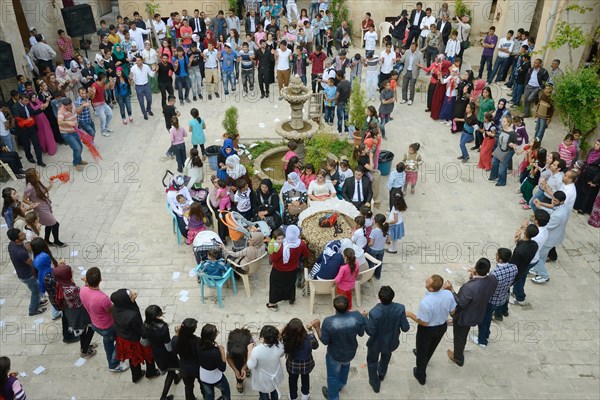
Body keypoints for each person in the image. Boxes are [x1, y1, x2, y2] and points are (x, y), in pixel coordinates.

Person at [312, 295, 366, 400]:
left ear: (334, 308)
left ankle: (333, 397)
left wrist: (317, 327)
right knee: (345, 366)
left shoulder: (329, 321)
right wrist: (362, 318)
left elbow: (325, 341)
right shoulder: (357, 316)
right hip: (350, 352)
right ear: (349, 306)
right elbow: (361, 333)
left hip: (335, 355)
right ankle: (341, 384)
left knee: (332, 377)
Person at [406, 274, 456, 385]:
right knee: (432, 346)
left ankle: (421, 375)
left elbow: (424, 322)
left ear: (431, 289)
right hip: (441, 326)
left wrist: (410, 315)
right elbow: (453, 312)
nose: (425, 281)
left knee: (422, 349)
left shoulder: (426, 302)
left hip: (428, 330)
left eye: (427, 282)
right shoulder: (448, 294)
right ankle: (425, 358)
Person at [80, 267, 129, 372]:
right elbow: (112, 311)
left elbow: (86, 285)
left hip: (95, 324)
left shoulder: (83, 290)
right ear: (100, 279)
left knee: (108, 341)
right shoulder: (103, 298)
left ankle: (110, 360)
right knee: (121, 341)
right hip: (108, 326)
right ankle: (114, 364)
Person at [364, 286, 410, 393]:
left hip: (375, 343)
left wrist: (365, 318)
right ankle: (381, 374)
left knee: (372, 361)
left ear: (379, 298)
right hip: (391, 341)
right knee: (386, 357)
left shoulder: (374, 312)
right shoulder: (400, 308)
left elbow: (370, 332)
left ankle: (375, 383)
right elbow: (406, 328)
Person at [470, 250, 518, 350]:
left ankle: (482, 341)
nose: (495, 256)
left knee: (483, 319)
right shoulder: (514, 267)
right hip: (502, 297)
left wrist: (474, 275)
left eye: (497, 255)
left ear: (500, 259)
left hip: (491, 300)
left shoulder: (494, 274)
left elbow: (484, 287)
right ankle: (486, 333)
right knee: (488, 317)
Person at [111, 288, 159, 383]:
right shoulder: (132, 315)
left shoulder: (116, 309)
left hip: (124, 339)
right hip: (135, 340)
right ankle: (151, 372)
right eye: (130, 296)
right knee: (148, 355)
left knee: (133, 358)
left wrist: (132, 300)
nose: (133, 295)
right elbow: (140, 330)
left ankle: (136, 375)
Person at [52, 264, 97, 358]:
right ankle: (84, 350)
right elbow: (84, 295)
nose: (72, 272)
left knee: (82, 330)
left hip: (70, 311)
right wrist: (87, 283)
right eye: (70, 272)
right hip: (79, 312)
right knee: (92, 327)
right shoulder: (71, 289)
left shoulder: (61, 284)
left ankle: (84, 345)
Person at [529, 191, 570, 284]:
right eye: (553, 199)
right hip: (556, 235)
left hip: (550, 239)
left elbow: (548, 225)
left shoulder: (558, 215)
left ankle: (544, 276)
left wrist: (535, 222)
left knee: (538, 256)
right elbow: (553, 210)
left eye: (555, 201)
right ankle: (536, 269)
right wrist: (541, 207)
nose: (552, 202)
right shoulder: (565, 207)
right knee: (542, 256)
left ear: (562, 201)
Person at [267, 225, 310, 310]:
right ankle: (291, 299)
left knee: (275, 285)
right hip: (293, 269)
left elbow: (273, 259)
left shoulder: (281, 245)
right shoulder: (301, 244)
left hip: (278, 270)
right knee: (290, 284)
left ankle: (272, 304)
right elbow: (307, 254)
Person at [7, 228, 48, 316]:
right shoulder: (20, 252)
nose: (24, 234)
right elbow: (32, 263)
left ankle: (38, 301)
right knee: (35, 291)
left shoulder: (12, 244)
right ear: (17, 239)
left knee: (34, 288)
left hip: (23, 273)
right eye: (22, 234)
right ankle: (33, 310)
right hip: (27, 275)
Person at [143, 305, 181, 400]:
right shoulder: (163, 328)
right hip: (167, 355)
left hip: (156, 353)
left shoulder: (145, 325)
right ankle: (163, 397)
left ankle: (176, 378)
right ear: (157, 316)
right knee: (171, 371)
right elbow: (168, 347)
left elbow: (144, 342)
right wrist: (176, 335)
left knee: (170, 369)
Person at [21, 168, 65, 246]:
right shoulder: (29, 187)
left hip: (45, 205)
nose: (39, 174)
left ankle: (47, 240)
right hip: (40, 209)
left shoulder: (37, 182)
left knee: (49, 224)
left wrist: (50, 185)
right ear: (32, 177)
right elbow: (24, 199)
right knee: (55, 224)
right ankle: (56, 241)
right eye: (36, 173)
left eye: (37, 172)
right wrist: (32, 203)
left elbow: (41, 193)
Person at [282, 318, 319, 400]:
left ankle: (293, 396)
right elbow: (316, 346)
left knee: (292, 381)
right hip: (306, 365)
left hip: (292, 366)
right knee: (305, 378)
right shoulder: (309, 338)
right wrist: (310, 331)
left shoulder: (286, 339)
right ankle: (305, 395)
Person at [246, 325, 284, 400]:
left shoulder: (256, 350)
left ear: (263, 337)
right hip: (275, 374)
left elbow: (250, 366)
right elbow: (281, 355)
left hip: (263, 377)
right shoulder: (280, 346)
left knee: (263, 393)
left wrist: (249, 351)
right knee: (274, 390)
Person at [196, 323, 231, 400]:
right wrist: (222, 352)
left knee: (209, 396)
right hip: (215, 378)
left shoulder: (198, 344)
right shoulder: (214, 352)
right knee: (226, 392)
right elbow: (223, 368)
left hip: (204, 376)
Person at [11, 94, 45, 166]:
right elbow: (18, 119)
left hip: (32, 128)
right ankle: (29, 157)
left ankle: (40, 161)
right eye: (25, 101)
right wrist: (28, 121)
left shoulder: (27, 105)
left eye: (27, 100)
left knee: (36, 144)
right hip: (23, 130)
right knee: (27, 146)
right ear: (20, 100)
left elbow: (33, 112)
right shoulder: (15, 107)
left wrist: (40, 109)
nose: (27, 102)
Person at [489, 115, 518, 186]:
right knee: (494, 161)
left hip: (508, 151)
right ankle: (494, 176)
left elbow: (515, 144)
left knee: (502, 166)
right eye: (502, 120)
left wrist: (512, 144)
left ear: (508, 123)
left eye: (504, 121)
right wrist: (493, 135)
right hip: (500, 148)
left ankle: (502, 182)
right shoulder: (503, 129)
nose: (502, 122)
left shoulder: (512, 133)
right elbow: (500, 137)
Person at [574, 139, 600, 214]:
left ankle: (582, 208)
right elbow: (587, 161)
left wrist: (595, 181)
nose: (596, 145)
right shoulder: (592, 151)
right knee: (580, 189)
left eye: (598, 145)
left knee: (587, 193)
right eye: (596, 143)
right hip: (585, 173)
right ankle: (576, 205)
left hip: (592, 177)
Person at [89, 73, 115, 137]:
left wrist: (110, 82)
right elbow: (91, 97)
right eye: (105, 78)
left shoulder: (102, 84)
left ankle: (106, 127)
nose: (105, 79)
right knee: (103, 118)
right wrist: (92, 93)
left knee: (110, 114)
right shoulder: (94, 85)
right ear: (103, 79)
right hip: (97, 106)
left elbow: (108, 88)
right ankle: (103, 131)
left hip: (103, 103)